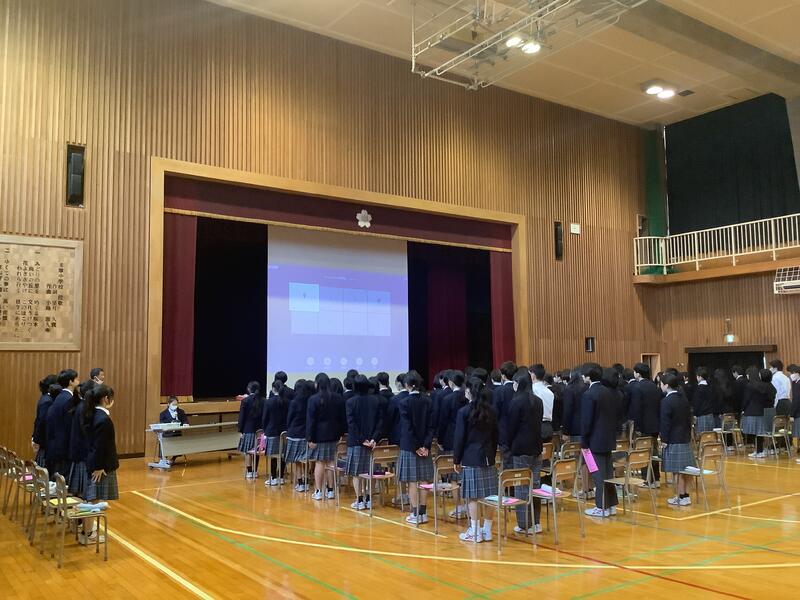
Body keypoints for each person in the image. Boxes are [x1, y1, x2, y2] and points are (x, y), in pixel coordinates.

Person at [453, 378, 498, 543]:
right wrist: (492, 454)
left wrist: (456, 459)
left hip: (471, 457)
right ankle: (487, 531)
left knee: (473, 497)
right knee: (489, 496)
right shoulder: (492, 411)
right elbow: (495, 436)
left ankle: (475, 531)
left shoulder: (464, 412)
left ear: (470, 391)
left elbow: (459, 438)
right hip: (488, 457)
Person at [502, 368, 543, 535]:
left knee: (521, 486)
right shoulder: (537, 401)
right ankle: (536, 522)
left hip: (520, 448)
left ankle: (524, 524)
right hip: (537, 447)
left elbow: (511, 428)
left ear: (518, 383)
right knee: (535, 485)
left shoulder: (516, 401)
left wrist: (508, 445)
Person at [81, 384, 118, 545]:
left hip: (95, 463)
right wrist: (98, 466)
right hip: (100, 467)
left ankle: (87, 532)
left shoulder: (93, 415)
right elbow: (99, 446)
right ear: (106, 399)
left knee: (92, 499)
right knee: (93, 501)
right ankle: (88, 534)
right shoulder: (103, 419)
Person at [580, 363, 618, 518]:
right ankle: (611, 505)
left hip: (594, 441)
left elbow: (586, 421)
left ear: (588, 377)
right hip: (608, 438)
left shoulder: (589, 394)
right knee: (608, 473)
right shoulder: (608, 392)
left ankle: (601, 506)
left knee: (597, 474)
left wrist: (584, 441)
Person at [397, 370, 435, 525]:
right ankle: (423, 513)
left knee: (412, 481)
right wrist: (425, 445)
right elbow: (431, 427)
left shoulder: (404, 402)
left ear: (407, 385)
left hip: (410, 447)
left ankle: (415, 513)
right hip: (425, 447)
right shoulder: (428, 401)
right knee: (424, 479)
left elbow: (407, 428)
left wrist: (416, 447)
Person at [345, 374, 383, 510]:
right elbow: (380, 421)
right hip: (372, 443)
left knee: (357, 473)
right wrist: (373, 438)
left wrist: (362, 439)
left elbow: (351, 423)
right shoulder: (375, 400)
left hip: (356, 442)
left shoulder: (350, 402)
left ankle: (360, 500)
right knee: (370, 472)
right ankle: (369, 499)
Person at [307, 373, 346, 501]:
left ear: (317, 384)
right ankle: (330, 490)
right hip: (334, 435)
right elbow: (342, 418)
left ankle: (318, 491)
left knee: (320, 462)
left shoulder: (313, 399)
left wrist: (310, 438)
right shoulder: (338, 398)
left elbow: (311, 421)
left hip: (319, 436)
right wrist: (341, 434)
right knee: (331, 462)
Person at [659, 372, 695, 507]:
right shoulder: (683, 399)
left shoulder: (666, 401)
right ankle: (686, 496)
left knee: (677, 470)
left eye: (661, 384)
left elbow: (665, 423)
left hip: (673, 439)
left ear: (666, 385)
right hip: (684, 437)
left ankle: (680, 496)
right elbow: (688, 419)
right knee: (686, 469)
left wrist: (664, 439)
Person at [630, 362, 661, 489]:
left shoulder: (637, 387)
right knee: (654, 451)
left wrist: (637, 427)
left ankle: (647, 479)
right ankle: (656, 479)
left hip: (643, 425)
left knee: (644, 452)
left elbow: (637, 409)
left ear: (638, 373)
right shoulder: (655, 386)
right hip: (655, 424)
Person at [45, 369, 79, 478]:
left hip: (55, 444)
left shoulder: (60, 396)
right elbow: (69, 426)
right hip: (63, 447)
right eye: (76, 378)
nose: (78, 381)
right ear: (71, 382)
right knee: (62, 480)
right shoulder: (69, 399)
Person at [67, 380, 96, 498]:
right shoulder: (84, 408)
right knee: (83, 493)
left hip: (78, 452)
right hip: (83, 453)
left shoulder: (81, 406)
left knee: (79, 491)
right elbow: (87, 434)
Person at [284, 379, 312, 491]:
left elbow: (289, 418)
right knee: (305, 460)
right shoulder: (310, 400)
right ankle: (306, 481)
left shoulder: (294, 402)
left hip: (294, 434)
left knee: (296, 461)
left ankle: (300, 483)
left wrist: (289, 428)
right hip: (305, 434)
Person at [742, 368, 776, 458]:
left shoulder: (751, 386)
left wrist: (743, 408)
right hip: (767, 411)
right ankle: (764, 450)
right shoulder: (769, 386)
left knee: (755, 432)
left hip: (754, 411)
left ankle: (759, 451)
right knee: (761, 432)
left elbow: (746, 399)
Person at [262, 380, 290, 485]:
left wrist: (265, 430)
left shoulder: (269, 402)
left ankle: (273, 477)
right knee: (282, 455)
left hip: (272, 431)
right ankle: (281, 477)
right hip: (284, 432)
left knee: (273, 456)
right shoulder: (287, 401)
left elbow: (265, 418)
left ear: (273, 388)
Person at [237, 381, 263, 479]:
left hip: (248, 430)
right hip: (260, 430)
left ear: (248, 389)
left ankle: (249, 471)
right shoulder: (263, 400)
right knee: (257, 451)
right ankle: (255, 471)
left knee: (248, 451)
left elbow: (241, 417)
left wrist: (240, 430)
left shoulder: (245, 401)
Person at [31, 374, 58, 466]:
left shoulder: (45, 398)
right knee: (43, 470)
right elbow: (41, 421)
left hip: (42, 442)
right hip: (44, 443)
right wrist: (36, 440)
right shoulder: (48, 400)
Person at [158, 396, 190, 465]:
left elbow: (185, 420)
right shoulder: (163, 414)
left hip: (177, 434)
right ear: (168, 404)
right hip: (167, 434)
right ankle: (163, 459)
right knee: (163, 441)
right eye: (173, 404)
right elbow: (162, 424)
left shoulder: (181, 412)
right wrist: (170, 424)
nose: (175, 406)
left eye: (176, 404)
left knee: (178, 443)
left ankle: (173, 459)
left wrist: (185, 424)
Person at [530, 364, 554, 444]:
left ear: (533, 375)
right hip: (548, 427)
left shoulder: (532, 390)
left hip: (536, 425)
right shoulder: (550, 392)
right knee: (547, 450)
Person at [561, 367, 586, 442]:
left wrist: (565, 431)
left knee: (575, 448)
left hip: (575, 428)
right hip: (588, 427)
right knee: (586, 448)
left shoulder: (569, 389)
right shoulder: (587, 387)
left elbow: (567, 411)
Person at [692, 367, 717, 432]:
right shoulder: (710, 387)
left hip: (702, 416)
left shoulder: (699, 388)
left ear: (700, 377)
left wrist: (694, 414)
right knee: (710, 435)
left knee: (702, 435)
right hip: (711, 415)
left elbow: (697, 403)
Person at [788, 364, 800, 459]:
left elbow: (796, 400)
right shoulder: (796, 382)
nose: (791, 375)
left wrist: (792, 414)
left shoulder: (798, 384)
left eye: (792, 373)